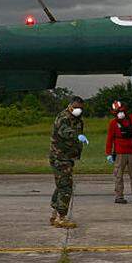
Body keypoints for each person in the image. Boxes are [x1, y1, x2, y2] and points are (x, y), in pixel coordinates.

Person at [49, 96, 89, 228]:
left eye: (81, 108)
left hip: (68, 157)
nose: (79, 110)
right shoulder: (63, 117)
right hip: (60, 157)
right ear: (71, 105)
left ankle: (55, 215)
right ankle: (62, 218)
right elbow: (64, 132)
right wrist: (78, 136)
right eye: (77, 107)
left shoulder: (77, 119)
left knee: (61, 185)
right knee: (66, 187)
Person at [105, 100, 132, 203]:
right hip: (120, 153)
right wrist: (108, 153)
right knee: (118, 175)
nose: (120, 113)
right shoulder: (113, 123)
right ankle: (119, 196)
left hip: (131, 152)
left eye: (121, 111)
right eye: (117, 112)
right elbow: (109, 139)